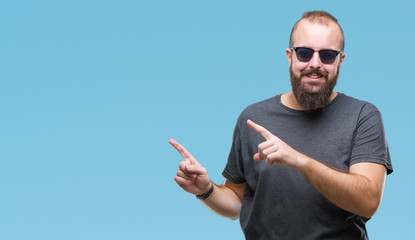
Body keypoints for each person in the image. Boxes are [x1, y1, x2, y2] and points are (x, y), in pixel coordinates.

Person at [169, 11, 393, 239]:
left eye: (327, 55)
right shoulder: (253, 118)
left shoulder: (362, 116)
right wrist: (206, 190)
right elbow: (238, 203)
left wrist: (301, 162)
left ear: (340, 60)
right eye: (305, 53)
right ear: (290, 56)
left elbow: (368, 202)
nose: (315, 64)